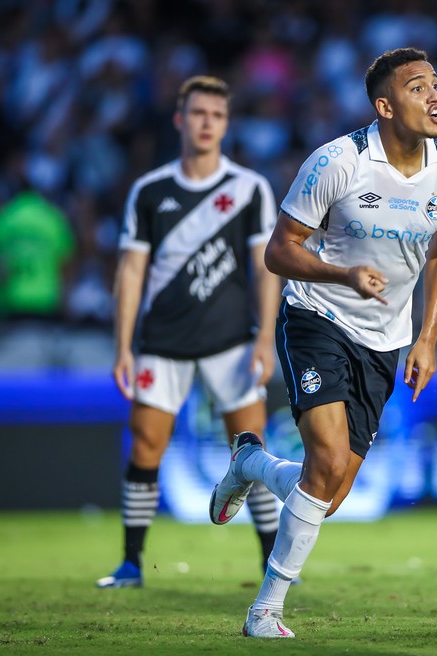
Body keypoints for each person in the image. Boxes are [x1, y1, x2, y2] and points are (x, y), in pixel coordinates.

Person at [208, 47, 437, 638]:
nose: (434, 97)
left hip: (386, 341)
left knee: (327, 492)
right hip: (318, 316)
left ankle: (249, 462)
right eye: (416, 88)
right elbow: (280, 251)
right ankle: (265, 611)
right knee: (326, 462)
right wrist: (342, 274)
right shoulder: (338, 162)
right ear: (384, 105)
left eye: (435, 84)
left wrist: (426, 338)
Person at [96, 75, 284, 588]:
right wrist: (124, 346)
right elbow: (131, 272)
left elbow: (264, 267)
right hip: (163, 342)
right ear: (181, 120)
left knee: (252, 452)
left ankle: (272, 564)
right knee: (145, 445)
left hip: (231, 342)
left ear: (226, 124)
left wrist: (266, 337)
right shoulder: (150, 191)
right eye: (199, 114)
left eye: (217, 116)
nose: (207, 123)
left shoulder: (248, 188)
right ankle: (132, 563)